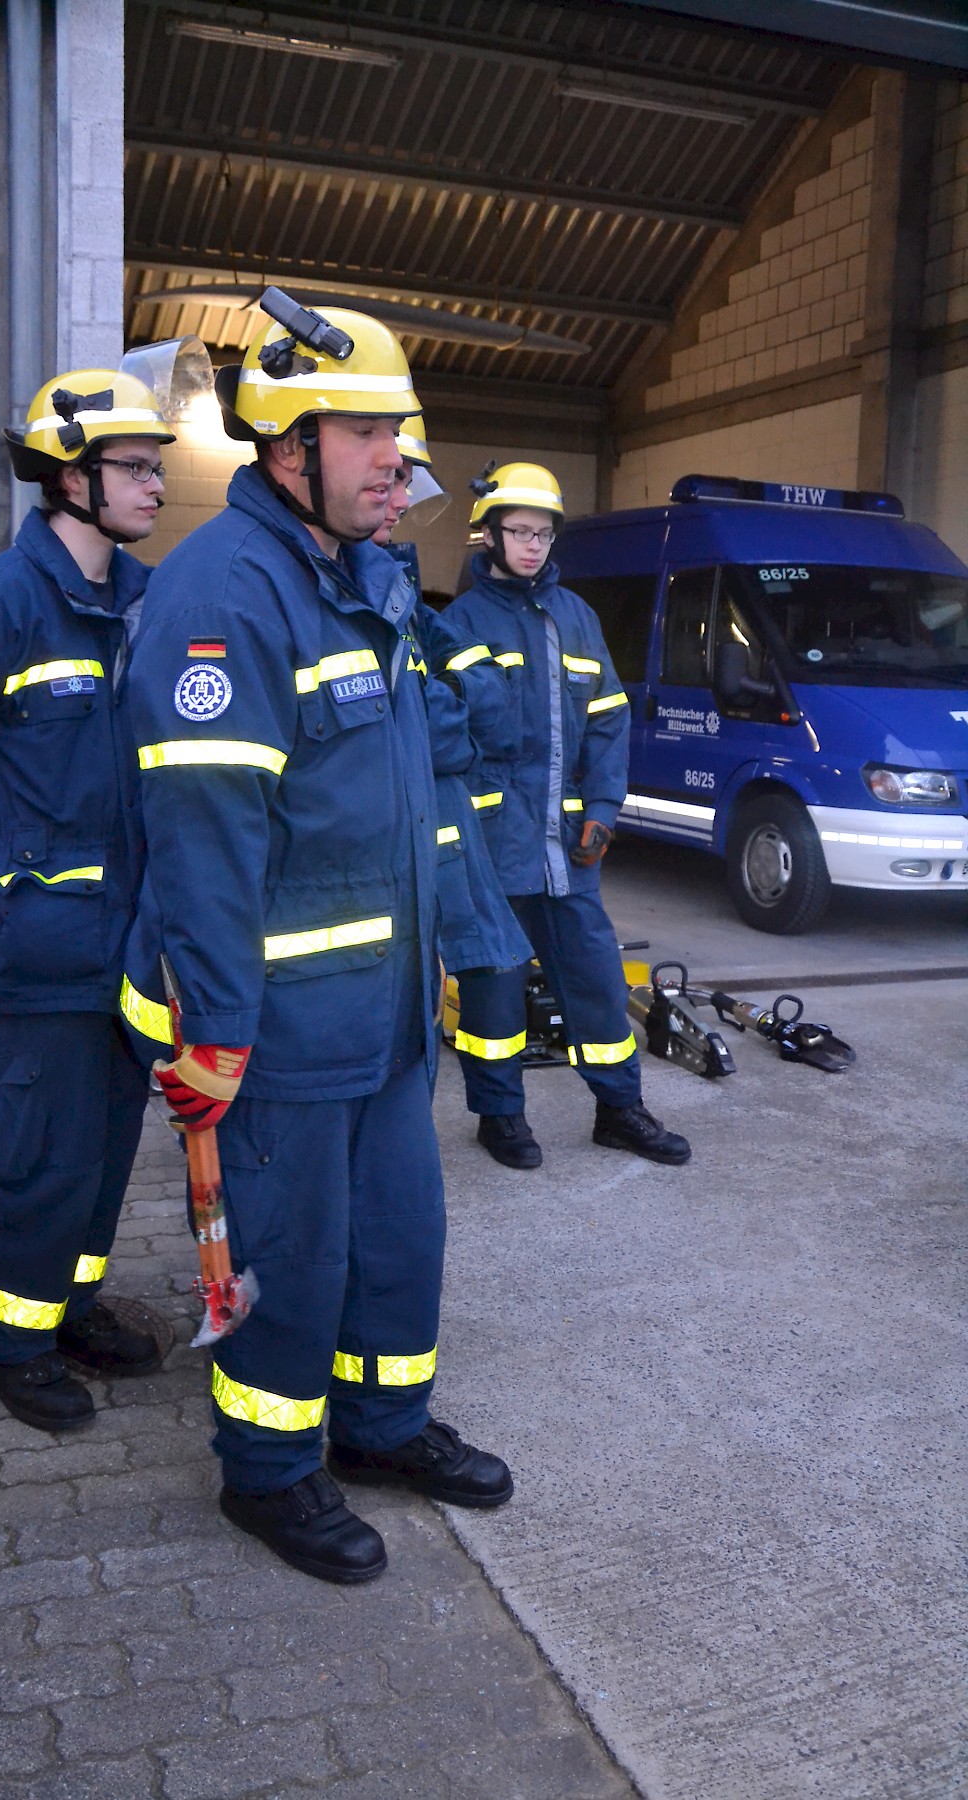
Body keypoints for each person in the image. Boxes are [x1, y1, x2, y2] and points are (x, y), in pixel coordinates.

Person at [120, 302, 512, 1585]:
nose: (394, 460)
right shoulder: (223, 600)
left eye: (398, 431)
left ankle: (382, 1427)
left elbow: (407, 803)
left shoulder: (369, 576)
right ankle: (272, 1473)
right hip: (278, 1035)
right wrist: (219, 1029)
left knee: (400, 1246)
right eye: (366, 433)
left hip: (387, 1017)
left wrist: (446, 955)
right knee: (292, 1264)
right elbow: (201, 847)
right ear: (287, 450)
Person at [0, 366, 180, 1430]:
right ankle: (9, 1336)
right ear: (69, 478)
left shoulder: (147, 607)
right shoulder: (0, 603)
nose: (156, 483)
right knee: (44, 1154)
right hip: (42, 938)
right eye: (135, 467)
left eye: (156, 466)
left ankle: (70, 1302)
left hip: (132, 946)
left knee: (103, 1153)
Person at [443, 463, 691, 1168]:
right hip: (492, 847)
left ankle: (619, 1110)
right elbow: (445, 745)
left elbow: (609, 720)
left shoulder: (576, 618)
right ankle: (500, 1119)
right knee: (492, 995)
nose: (532, 546)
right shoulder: (455, 626)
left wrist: (605, 810)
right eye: (519, 531)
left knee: (596, 984)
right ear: (488, 533)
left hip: (567, 850)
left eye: (544, 534)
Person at [369, 424, 534, 1114]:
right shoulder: (328, 582)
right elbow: (413, 725)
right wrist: (444, 719)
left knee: (495, 960)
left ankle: (501, 1114)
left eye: (407, 482)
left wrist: (442, 712)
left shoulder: (398, 583)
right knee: (393, 988)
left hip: (443, 813)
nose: (401, 499)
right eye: (393, 480)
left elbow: (490, 708)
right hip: (384, 824)